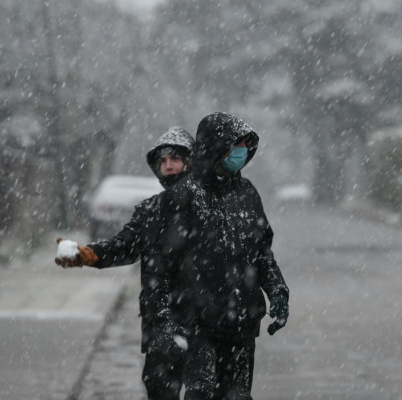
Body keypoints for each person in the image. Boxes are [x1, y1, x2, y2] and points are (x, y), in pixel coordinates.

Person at [144, 112, 290, 400]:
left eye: (245, 147)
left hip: (243, 323)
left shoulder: (247, 193)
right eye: (236, 146)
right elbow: (160, 266)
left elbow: (262, 253)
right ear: (215, 147)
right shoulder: (185, 196)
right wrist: (162, 321)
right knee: (202, 392)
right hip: (198, 323)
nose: (241, 153)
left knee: (238, 395)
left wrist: (278, 292)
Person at [54, 127, 195, 400]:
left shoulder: (210, 208)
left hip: (204, 322)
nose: (168, 166)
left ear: (190, 162)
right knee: (158, 387)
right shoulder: (151, 211)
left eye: (174, 159)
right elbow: (124, 246)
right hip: (161, 320)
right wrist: (84, 254)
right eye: (162, 161)